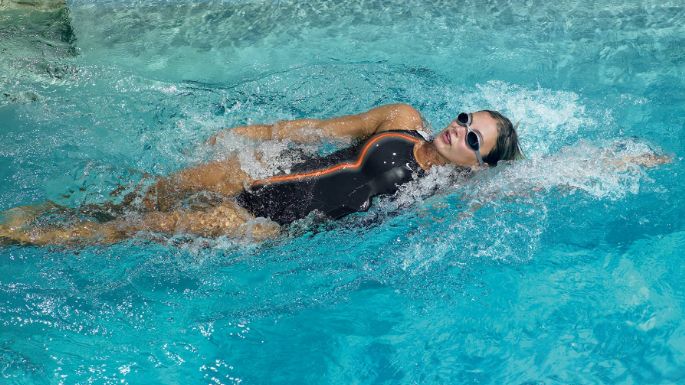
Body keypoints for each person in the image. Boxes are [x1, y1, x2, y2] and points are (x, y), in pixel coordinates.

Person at [0, 104, 524, 246]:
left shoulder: (442, 196)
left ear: (477, 167)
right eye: (463, 119)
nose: (459, 131)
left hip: (261, 226)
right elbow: (313, 129)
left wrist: (608, 163)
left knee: (129, 229)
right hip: (249, 173)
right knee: (129, 197)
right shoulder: (402, 120)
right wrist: (243, 136)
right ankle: (46, 210)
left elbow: (542, 179)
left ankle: (17, 236)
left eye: (473, 139)